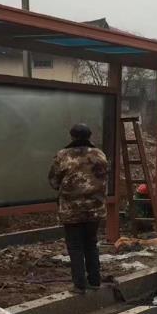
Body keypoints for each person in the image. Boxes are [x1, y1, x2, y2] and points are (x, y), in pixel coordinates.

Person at [48, 123, 109, 293]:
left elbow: (53, 181)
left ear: (72, 136)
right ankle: (95, 281)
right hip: (95, 209)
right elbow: (104, 177)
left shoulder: (63, 155)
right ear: (89, 136)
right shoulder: (99, 154)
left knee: (75, 246)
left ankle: (79, 285)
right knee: (91, 243)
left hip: (72, 209)